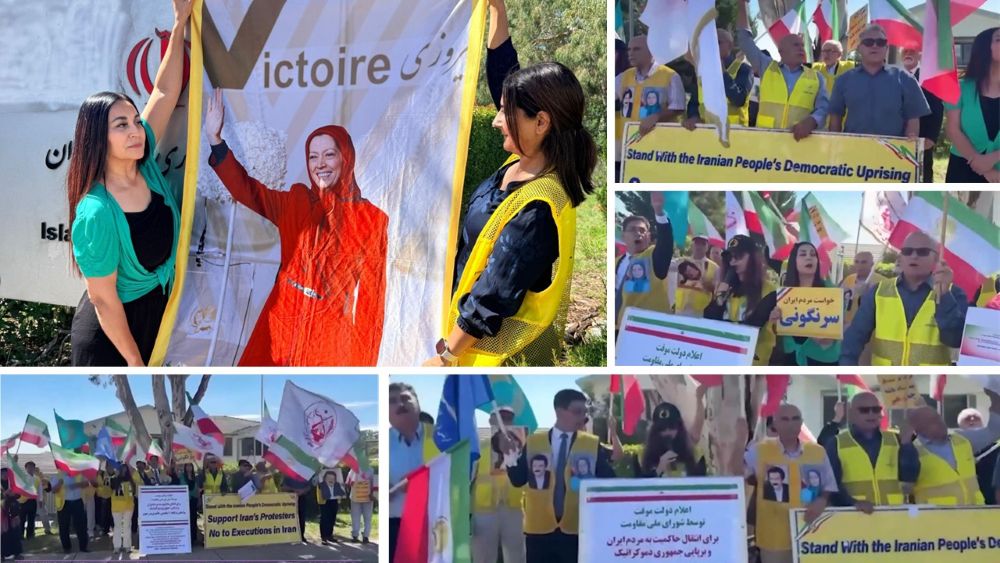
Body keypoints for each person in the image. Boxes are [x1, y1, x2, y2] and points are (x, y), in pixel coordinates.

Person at [424, 61, 598, 368]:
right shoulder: (518, 165)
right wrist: (497, 14)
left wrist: (446, 356)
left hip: (492, 359)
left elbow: (493, 295)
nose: (496, 120)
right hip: (465, 343)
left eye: (505, 112)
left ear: (541, 123)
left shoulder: (538, 206)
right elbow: (503, 71)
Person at [204, 91, 388, 366]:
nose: (320, 164)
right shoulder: (297, 201)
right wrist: (215, 141)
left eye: (329, 154)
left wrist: (363, 365)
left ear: (346, 158)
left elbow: (371, 304)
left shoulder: (372, 220)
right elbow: (248, 191)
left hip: (328, 336)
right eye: (313, 157)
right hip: (279, 322)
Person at [67, 0, 191, 367]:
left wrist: (180, 23)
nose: (136, 131)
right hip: (110, 341)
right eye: (121, 125)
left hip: (153, 321)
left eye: (136, 121)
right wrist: (135, 365)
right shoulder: (96, 211)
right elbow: (104, 301)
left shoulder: (146, 161)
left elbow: (165, 93)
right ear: (96, 138)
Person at [504, 389, 615, 563]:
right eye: (577, 412)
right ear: (559, 411)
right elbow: (518, 480)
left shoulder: (592, 444)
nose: (582, 418)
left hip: (575, 530)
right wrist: (509, 458)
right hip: (538, 531)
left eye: (585, 413)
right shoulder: (533, 442)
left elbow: (610, 483)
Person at [841, 231, 967, 366]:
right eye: (907, 251)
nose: (914, 256)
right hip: (886, 383)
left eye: (922, 252)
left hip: (930, 384)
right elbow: (854, 337)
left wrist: (944, 297)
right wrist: (847, 372)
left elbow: (955, 340)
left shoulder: (953, 293)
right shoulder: (879, 291)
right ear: (901, 257)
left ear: (936, 258)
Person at [745, 404, 836, 563]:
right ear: (775, 423)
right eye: (785, 419)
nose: (790, 424)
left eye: (795, 419)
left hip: (811, 533)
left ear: (801, 423)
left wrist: (822, 500)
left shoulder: (817, 451)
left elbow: (828, 485)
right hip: (774, 538)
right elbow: (740, 475)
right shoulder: (759, 450)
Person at [735, 1, 828, 140]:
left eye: (802, 45)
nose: (801, 48)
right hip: (765, 143)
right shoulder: (766, 67)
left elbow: (824, 107)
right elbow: (744, 40)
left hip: (798, 145)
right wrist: (742, 4)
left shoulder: (817, 78)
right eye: (796, 45)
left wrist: (812, 121)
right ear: (781, 51)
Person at [828, 25, 930, 138]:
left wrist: (907, 151)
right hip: (853, 150)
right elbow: (835, 118)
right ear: (859, 48)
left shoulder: (905, 78)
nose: (875, 46)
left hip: (892, 152)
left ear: (886, 48)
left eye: (880, 42)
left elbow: (913, 119)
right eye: (868, 42)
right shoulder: (843, 80)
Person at [824, 392, 917, 511]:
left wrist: (906, 444)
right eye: (864, 410)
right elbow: (830, 485)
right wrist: (853, 503)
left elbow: (910, 477)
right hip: (856, 517)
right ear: (851, 414)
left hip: (893, 516)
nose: (871, 414)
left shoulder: (896, 439)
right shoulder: (837, 443)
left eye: (876, 409)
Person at [908, 388, 1000, 505]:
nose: (939, 422)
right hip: (938, 519)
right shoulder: (911, 452)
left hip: (975, 515)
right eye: (932, 421)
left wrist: (995, 398)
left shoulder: (962, 440)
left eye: (938, 417)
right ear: (917, 428)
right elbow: (906, 495)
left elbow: (994, 430)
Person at [615, 34, 685, 179]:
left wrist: (657, 116)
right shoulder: (623, 77)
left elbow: (678, 107)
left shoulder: (670, 76)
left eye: (636, 49)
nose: (630, 54)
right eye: (629, 50)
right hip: (629, 150)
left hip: (658, 151)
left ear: (651, 51)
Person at [705, 235, 778, 366]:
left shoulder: (769, 290)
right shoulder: (726, 289)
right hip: (726, 361)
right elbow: (709, 319)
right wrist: (720, 297)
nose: (733, 262)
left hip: (755, 364)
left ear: (753, 258)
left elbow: (753, 326)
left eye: (738, 257)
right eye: (730, 258)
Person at [388, 382, 439, 560]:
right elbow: (372, 486)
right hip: (394, 523)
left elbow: (454, 475)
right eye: (392, 401)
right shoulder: (384, 443)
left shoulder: (441, 438)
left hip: (431, 521)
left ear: (417, 403)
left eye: (405, 399)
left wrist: (420, 482)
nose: (400, 404)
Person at [944, 27, 1000, 183]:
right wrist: (983, 167)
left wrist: (992, 159)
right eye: (999, 39)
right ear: (984, 48)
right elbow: (953, 129)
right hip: (963, 170)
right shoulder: (959, 88)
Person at [771, 242, 841, 366]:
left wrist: (827, 339)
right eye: (803, 254)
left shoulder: (831, 292)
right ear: (794, 261)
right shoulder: (784, 293)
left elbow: (839, 326)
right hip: (790, 357)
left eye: (813, 255)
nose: (809, 257)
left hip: (822, 360)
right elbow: (779, 331)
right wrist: (774, 321)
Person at [473, 407, 525, 563]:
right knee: (483, 556)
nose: (504, 421)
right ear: (490, 421)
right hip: (484, 509)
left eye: (508, 418)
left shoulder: (522, 446)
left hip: (514, 507)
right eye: (499, 417)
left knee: (517, 555)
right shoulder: (479, 447)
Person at [616, 193, 673, 324]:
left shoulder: (653, 256)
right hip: (620, 327)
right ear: (624, 236)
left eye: (642, 231)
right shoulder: (616, 262)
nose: (638, 233)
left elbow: (666, 243)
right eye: (633, 230)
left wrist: (659, 212)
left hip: (648, 330)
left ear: (648, 237)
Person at [684, 29, 754, 128]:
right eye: (710, 42)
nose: (713, 46)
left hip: (735, 135)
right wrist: (694, 116)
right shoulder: (704, 71)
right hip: (708, 134)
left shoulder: (743, 69)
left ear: (730, 45)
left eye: (718, 42)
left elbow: (739, 100)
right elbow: (694, 102)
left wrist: (722, 73)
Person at [632, 396, 707, 478]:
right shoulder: (641, 456)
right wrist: (659, 469)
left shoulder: (696, 455)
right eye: (662, 429)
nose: (667, 432)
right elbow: (641, 486)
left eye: (671, 427)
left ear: (679, 428)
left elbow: (700, 485)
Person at [900, 47, 945, 182]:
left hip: (923, 137)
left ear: (919, 56)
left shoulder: (929, 79)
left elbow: (937, 108)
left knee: (922, 175)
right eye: (905, 52)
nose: (908, 54)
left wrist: (931, 137)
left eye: (911, 52)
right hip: (896, 136)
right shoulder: (893, 76)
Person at [957, 407, 1000, 506]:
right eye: (967, 418)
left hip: (992, 498)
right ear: (960, 425)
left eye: (976, 418)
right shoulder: (954, 447)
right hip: (967, 502)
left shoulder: (996, 447)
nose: (972, 420)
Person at [811, 40, 854, 130]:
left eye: (831, 51)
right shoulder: (814, 68)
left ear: (839, 55)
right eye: (824, 51)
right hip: (819, 125)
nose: (827, 54)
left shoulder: (850, 67)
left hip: (840, 124)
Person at [51, 470, 96, 553]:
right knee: (64, 526)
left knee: (81, 526)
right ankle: (66, 548)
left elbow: (87, 484)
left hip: (77, 502)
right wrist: (60, 483)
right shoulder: (58, 476)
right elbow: (53, 490)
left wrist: (77, 485)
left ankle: (83, 547)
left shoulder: (79, 474)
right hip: (64, 504)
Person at [674, 236, 719, 318]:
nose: (699, 246)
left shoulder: (714, 267)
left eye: (703, 244)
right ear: (692, 245)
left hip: (700, 313)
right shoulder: (681, 262)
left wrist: (706, 284)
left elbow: (717, 291)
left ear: (707, 247)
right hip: (680, 311)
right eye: (697, 243)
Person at [841, 251, 885, 328]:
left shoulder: (882, 282)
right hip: (848, 327)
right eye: (856, 262)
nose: (859, 265)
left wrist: (868, 295)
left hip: (871, 330)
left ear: (872, 264)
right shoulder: (849, 279)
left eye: (863, 262)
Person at [109, 464, 135, 556]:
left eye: (125, 469)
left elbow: (134, 491)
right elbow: (112, 487)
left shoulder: (131, 480)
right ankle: (116, 547)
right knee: (117, 526)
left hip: (128, 506)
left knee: (127, 526)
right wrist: (116, 476)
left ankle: (127, 546)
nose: (123, 471)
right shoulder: (113, 479)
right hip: (116, 507)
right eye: (121, 469)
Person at [346, 465, 375, 544]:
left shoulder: (371, 470)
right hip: (355, 497)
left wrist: (374, 494)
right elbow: (348, 483)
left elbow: (375, 483)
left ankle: (366, 536)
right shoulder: (353, 470)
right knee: (355, 516)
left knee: (367, 517)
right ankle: (355, 535)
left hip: (368, 497)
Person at [316, 468, 346, 544]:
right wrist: (317, 475)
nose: (331, 480)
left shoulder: (337, 485)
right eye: (329, 478)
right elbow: (313, 483)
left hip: (334, 501)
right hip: (324, 500)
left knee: (332, 518)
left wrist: (343, 485)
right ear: (324, 479)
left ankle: (330, 535)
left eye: (333, 479)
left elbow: (342, 493)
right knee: (324, 518)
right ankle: (324, 537)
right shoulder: (320, 475)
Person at [16, 461, 42, 540]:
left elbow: (40, 490)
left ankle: (30, 535)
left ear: (34, 468)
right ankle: (20, 535)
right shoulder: (22, 477)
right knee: (22, 519)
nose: (30, 468)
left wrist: (40, 500)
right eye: (29, 467)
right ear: (26, 468)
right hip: (22, 501)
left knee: (31, 519)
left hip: (32, 501)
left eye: (32, 467)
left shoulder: (37, 479)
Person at [1, 469, 23, 561]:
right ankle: (2, 555)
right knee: (3, 534)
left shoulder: (12, 483)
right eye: (3, 473)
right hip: (2, 513)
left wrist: (13, 493)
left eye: (6, 473)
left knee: (15, 533)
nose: (5, 475)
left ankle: (17, 553)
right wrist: (5, 494)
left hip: (13, 511)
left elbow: (19, 495)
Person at [176, 462, 199, 545]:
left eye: (190, 466)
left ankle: (193, 539)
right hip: (184, 501)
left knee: (193, 519)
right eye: (187, 466)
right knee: (186, 520)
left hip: (193, 501)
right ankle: (186, 538)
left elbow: (197, 489)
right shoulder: (181, 476)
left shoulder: (195, 477)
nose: (189, 468)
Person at [94, 468, 112, 537]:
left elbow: (108, 484)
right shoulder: (95, 475)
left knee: (107, 513)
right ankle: (100, 526)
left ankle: (106, 528)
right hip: (98, 496)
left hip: (107, 495)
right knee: (100, 512)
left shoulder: (107, 474)